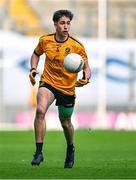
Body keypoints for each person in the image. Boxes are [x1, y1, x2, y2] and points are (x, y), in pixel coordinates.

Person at [29, 9, 91, 168]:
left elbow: (86, 67)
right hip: (48, 82)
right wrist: (33, 69)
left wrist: (86, 78)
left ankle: (70, 148)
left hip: (67, 89)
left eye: (68, 23)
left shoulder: (77, 46)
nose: (66, 26)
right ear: (55, 24)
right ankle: (38, 153)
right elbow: (36, 54)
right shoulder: (45, 40)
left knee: (65, 122)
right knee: (40, 111)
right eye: (62, 23)